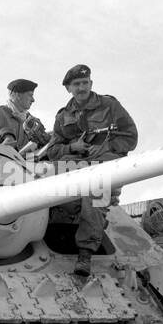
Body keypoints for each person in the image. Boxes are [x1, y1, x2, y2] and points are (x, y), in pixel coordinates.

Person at [47, 63, 138, 277]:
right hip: (77, 168)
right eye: (76, 84)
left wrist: (105, 146)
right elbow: (52, 150)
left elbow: (131, 137)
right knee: (50, 181)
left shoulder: (110, 106)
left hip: (105, 165)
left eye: (85, 83)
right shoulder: (63, 116)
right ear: (68, 88)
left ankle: (85, 254)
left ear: (91, 83)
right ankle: (91, 218)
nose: (82, 88)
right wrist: (72, 147)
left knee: (95, 193)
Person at [1, 78, 51, 157]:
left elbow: (46, 143)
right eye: (30, 95)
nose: (33, 100)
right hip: (2, 164)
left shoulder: (33, 121)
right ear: (18, 95)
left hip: (29, 164)